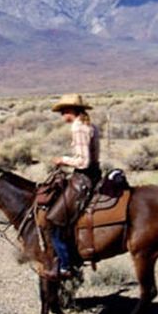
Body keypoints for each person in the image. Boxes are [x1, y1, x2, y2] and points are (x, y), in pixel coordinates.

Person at [45, 94, 101, 280]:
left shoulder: (79, 128)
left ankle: (67, 266)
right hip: (91, 174)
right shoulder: (89, 125)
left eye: (63, 111)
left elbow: (83, 161)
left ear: (72, 111)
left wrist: (62, 160)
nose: (62, 115)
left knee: (54, 221)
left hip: (84, 178)